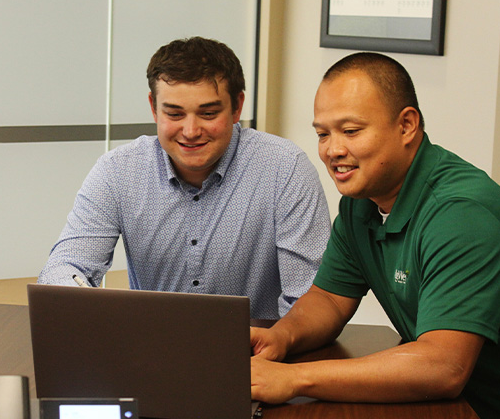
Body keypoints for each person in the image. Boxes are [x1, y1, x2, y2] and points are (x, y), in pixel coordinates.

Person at [249, 52, 500, 418]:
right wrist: (281, 336)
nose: (333, 150)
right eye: (323, 134)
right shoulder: (362, 202)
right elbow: (328, 299)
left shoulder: (460, 216)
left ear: (406, 125)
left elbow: (443, 366)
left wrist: (293, 379)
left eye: (351, 131)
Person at [39, 37, 330, 319]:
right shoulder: (118, 171)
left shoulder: (284, 169)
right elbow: (64, 267)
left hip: (261, 355)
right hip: (150, 351)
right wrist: (79, 301)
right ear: (154, 107)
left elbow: (308, 299)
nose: (190, 131)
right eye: (175, 114)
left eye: (208, 113)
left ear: (237, 107)